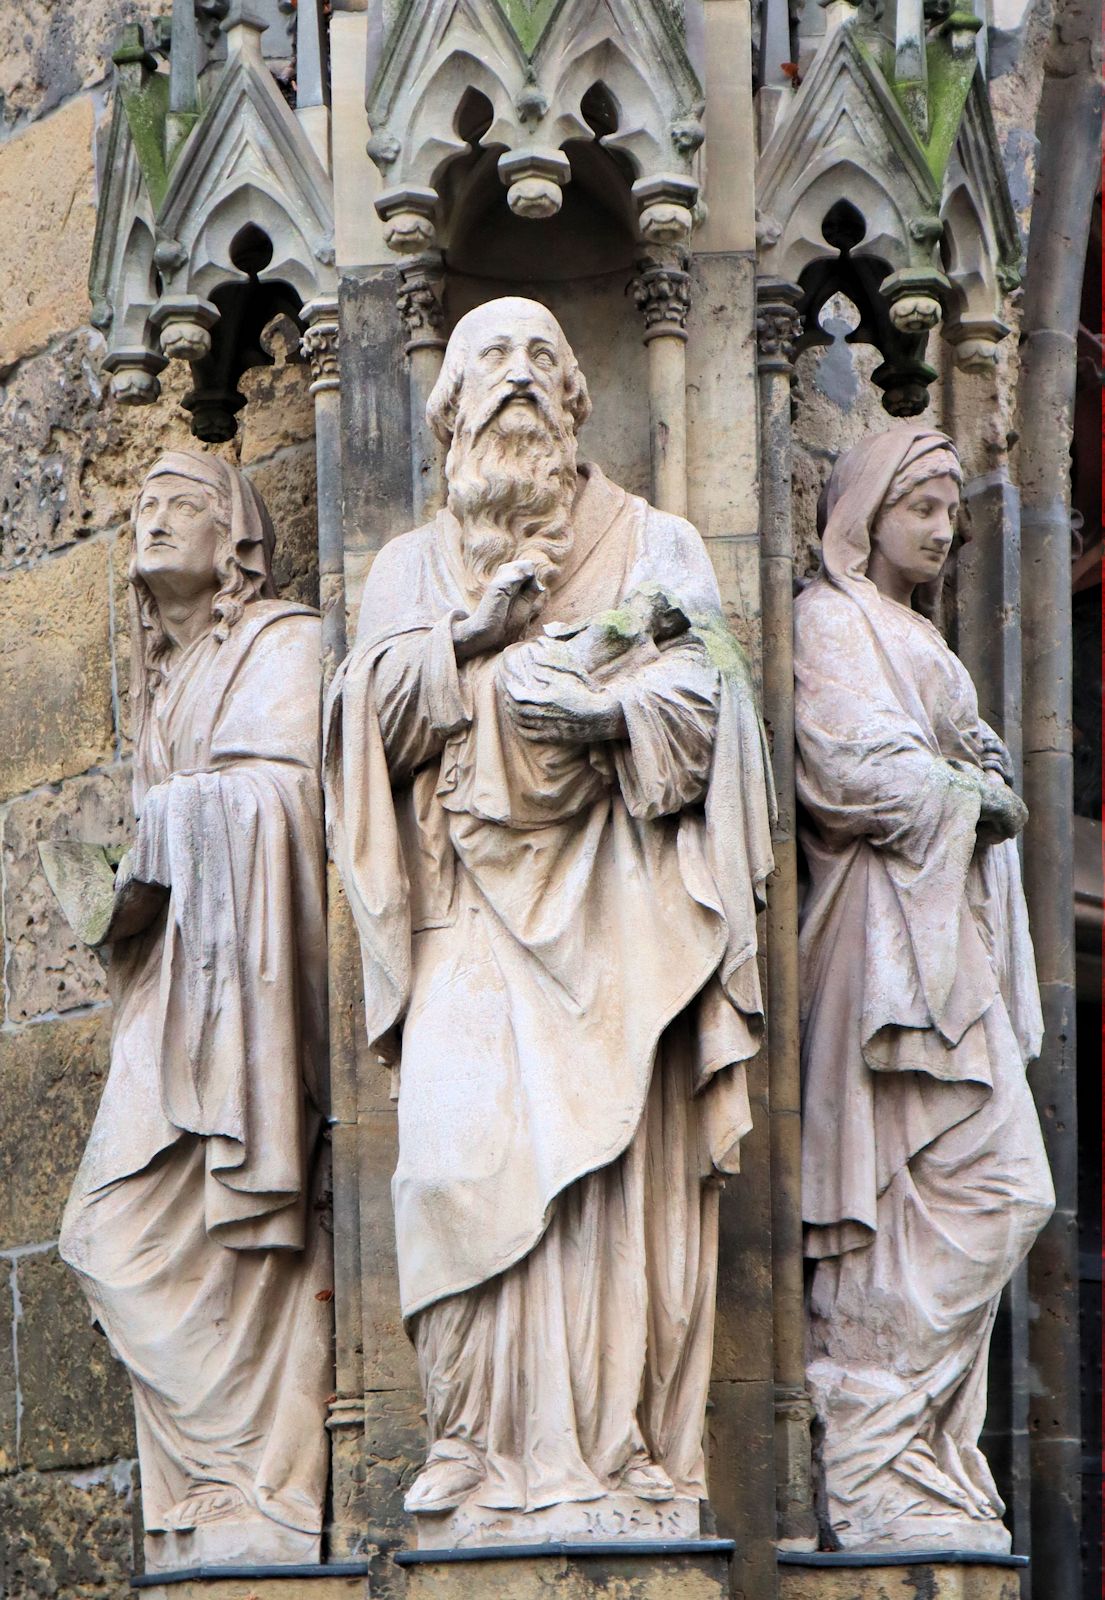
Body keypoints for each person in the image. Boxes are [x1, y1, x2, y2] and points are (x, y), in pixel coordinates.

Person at [325, 298, 775, 1536]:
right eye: (489, 361)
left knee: (608, 1193)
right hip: (466, 922)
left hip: (621, 922)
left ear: (577, 401)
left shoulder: (654, 539)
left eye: (541, 361)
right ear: (448, 409)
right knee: (452, 1164)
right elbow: (356, 730)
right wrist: (464, 641)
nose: (517, 380)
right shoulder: (410, 570)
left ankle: (616, 1456)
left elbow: (714, 695)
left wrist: (606, 717)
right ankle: (471, 1447)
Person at [57, 453, 332, 1570]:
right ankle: (216, 1485)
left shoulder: (286, 642)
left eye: (180, 503)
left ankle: (264, 1490)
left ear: (237, 539)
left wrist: (163, 828)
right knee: (105, 1233)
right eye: (140, 504)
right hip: (175, 992)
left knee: (199, 1233)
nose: (152, 518)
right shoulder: (166, 685)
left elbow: (291, 794)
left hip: (254, 999)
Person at [794, 425, 1054, 1552]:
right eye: (924, 508)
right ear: (865, 509)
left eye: (952, 510)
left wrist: (983, 777)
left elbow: (947, 759)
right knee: (934, 1189)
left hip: (945, 937)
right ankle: (869, 1437)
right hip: (879, 941)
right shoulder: (825, 619)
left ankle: (912, 1443)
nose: (944, 531)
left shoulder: (911, 634)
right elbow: (845, 763)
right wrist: (973, 791)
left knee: (1002, 1190)